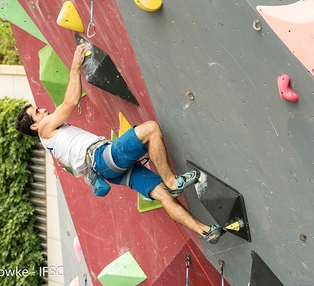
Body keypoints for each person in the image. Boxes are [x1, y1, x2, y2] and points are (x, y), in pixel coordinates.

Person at [15, 44, 223, 244]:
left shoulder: (52, 145)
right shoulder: (44, 129)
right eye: (37, 112)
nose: (42, 110)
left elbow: (83, 172)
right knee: (150, 129)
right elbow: (70, 102)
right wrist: (75, 65)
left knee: (163, 196)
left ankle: (206, 232)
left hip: (106, 171)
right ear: (34, 127)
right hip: (102, 158)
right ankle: (172, 182)